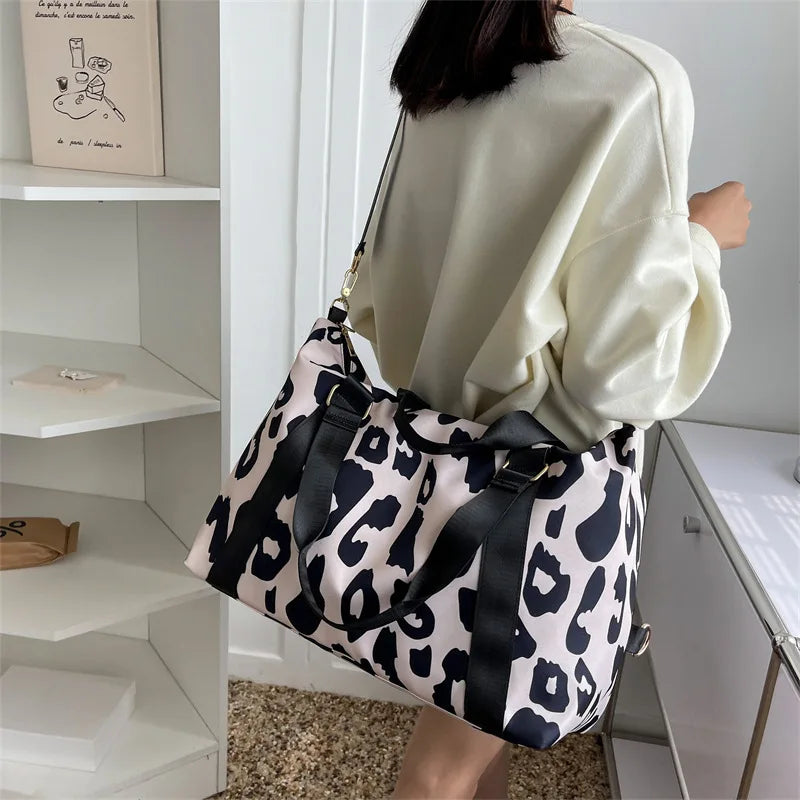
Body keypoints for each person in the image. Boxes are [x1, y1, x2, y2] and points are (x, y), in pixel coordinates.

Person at [345, 1, 751, 797]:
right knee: (439, 771)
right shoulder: (635, 83)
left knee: (475, 714)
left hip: (430, 459)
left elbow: (384, 287)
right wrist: (700, 238)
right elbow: (623, 378)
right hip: (535, 486)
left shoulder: (448, 62)